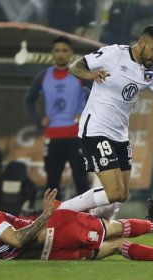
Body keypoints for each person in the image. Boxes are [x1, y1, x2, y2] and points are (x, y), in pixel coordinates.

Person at [65, 25, 153, 217]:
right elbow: (75, 67)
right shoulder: (113, 54)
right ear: (141, 43)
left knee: (121, 195)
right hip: (96, 129)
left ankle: (86, 224)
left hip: (120, 134)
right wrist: (91, 74)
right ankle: (62, 211)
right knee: (113, 192)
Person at [0, 182, 153, 261]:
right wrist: (45, 215)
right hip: (52, 231)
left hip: (45, 254)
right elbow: (17, 239)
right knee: (111, 228)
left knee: (114, 246)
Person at [24, 36, 90, 200]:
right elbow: (28, 101)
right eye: (57, 50)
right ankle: (54, 220)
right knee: (52, 182)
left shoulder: (80, 74)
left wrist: (84, 114)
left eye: (65, 50)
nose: (61, 54)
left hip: (76, 136)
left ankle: (87, 220)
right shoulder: (43, 76)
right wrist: (39, 121)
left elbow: (97, 96)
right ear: (53, 53)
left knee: (81, 180)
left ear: (71, 53)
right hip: (53, 137)